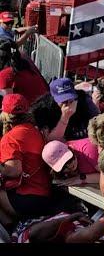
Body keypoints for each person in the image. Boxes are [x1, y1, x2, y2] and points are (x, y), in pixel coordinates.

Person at [0, 94, 52, 226]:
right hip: (44, 197)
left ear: (5, 114)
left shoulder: (10, 138)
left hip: (24, 199)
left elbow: (13, 171)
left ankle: (10, 228)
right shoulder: (35, 131)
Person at [0, 40, 49, 104]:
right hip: (45, 104)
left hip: (33, 110)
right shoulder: (24, 63)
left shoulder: (5, 74)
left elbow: (8, 103)